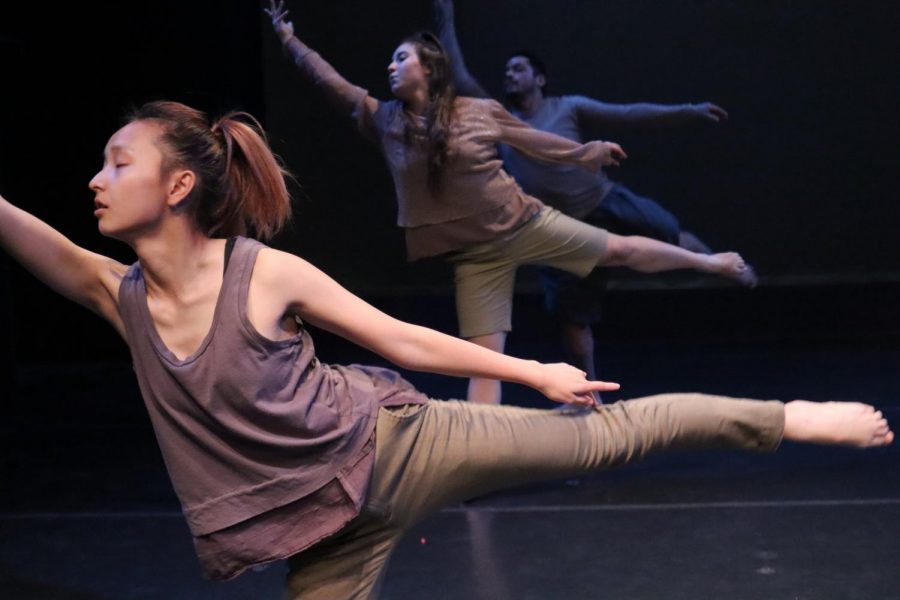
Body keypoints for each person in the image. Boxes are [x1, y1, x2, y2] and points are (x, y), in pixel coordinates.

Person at [0, 99, 892, 599]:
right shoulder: (116, 296)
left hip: (399, 449)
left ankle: (789, 418)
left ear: (180, 183)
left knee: (608, 434)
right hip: (322, 529)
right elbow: (30, 234)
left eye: (118, 162)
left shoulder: (261, 273)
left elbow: (400, 338)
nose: (96, 178)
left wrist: (530, 369)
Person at [266, 0, 756, 405]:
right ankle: (480, 468)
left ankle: (709, 261)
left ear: (429, 68)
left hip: (526, 222)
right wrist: (290, 42)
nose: (389, 67)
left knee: (621, 249)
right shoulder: (384, 119)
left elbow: (536, 141)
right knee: (486, 363)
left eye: (400, 58)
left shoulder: (479, 111)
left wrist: (588, 152)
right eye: (391, 61)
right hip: (476, 256)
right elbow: (328, 80)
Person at [434, 0, 754, 397]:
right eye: (506, 71)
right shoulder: (500, 117)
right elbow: (459, 74)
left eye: (518, 69)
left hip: (604, 201)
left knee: (669, 232)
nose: (509, 75)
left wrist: (687, 111)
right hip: (556, 227)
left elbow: (629, 114)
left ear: (540, 78)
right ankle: (589, 386)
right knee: (574, 316)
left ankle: (725, 266)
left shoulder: (567, 106)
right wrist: (444, 11)